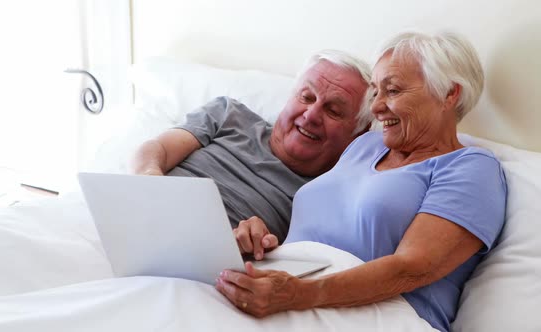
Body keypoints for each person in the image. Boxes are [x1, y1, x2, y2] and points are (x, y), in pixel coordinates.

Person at [216, 31, 507, 332]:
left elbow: (413, 268)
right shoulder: (364, 145)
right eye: (375, 92)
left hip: (379, 314)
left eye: (392, 91)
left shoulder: (472, 168)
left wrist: (300, 294)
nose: (377, 107)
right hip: (287, 294)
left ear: (449, 93)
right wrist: (259, 242)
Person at [131, 50, 372, 243]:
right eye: (307, 97)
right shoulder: (228, 114)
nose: (311, 115)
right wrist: (150, 176)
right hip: (139, 216)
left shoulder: (327, 196)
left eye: (333, 110)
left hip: (199, 260)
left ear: (358, 134)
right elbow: (157, 149)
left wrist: (258, 242)